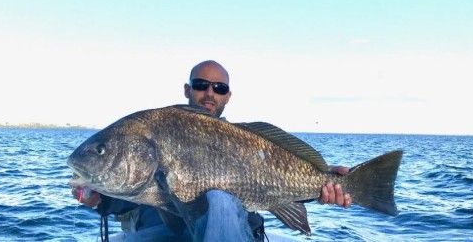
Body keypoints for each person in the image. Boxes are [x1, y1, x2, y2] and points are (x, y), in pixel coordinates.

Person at [71, 60, 351, 241]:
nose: (209, 93)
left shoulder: (247, 141)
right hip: (166, 233)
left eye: (219, 88)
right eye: (201, 85)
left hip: (231, 232)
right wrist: (99, 199)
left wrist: (324, 183)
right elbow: (133, 191)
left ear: (228, 95)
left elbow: (282, 180)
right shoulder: (162, 127)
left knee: (218, 200)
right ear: (187, 89)